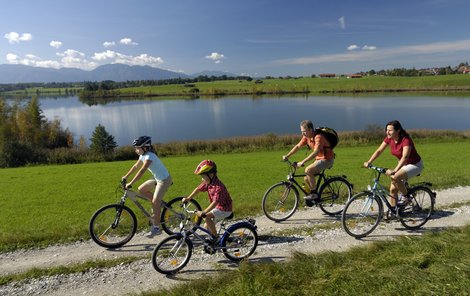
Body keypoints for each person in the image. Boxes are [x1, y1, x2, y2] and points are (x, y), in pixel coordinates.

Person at [363, 120, 424, 208]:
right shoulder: (389, 138)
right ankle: (394, 211)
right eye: (386, 130)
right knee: (392, 190)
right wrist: (369, 162)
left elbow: (405, 157)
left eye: (390, 130)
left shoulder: (406, 140)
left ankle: (407, 196)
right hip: (402, 165)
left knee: (395, 177)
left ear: (398, 130)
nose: (387, 132)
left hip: (415, 165)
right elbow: (379, 151)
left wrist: (395, 170)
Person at [122, 136, 172, 237]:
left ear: (145, 147)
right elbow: (135, 167)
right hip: (157, 179)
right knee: (141, 189)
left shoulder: (150, 156)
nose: (136, 150)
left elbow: (142, 170)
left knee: (154, 202)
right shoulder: (143, 155)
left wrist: (131, 182)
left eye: (137, 148)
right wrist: (126, 176)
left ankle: (157, 228)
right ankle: (159, 204)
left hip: (164, 180)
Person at [282, 120, 335, 205]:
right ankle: (316, 196)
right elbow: (298, 146)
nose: (303, 134)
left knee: (308, 170)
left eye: (304, 131)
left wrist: (303, 161)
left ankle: (314, 194)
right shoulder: (306, 137)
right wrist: (287, 156)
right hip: (319, 159)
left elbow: (316, 152)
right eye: (301, 132)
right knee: (306, 178)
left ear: (310, 130)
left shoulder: (318, 137)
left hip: (327, 159)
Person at [182, 160, 233, 240]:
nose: (202, 179)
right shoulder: (209, 183)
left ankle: (216, 238)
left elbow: (215, 202)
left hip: (225, 209)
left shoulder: (218, 187)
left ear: (211, 174)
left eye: (203, 176)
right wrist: (189, 198)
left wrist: (204, 212)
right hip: (219, 208)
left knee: (207, 217)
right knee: (207, 225)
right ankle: (213, 240)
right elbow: (198, 189)